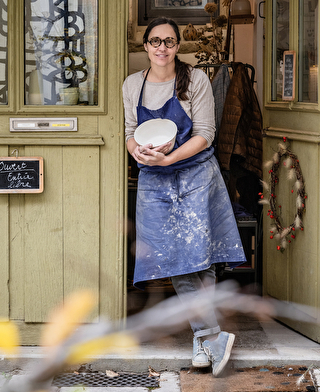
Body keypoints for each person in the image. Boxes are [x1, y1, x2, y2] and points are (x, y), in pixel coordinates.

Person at [122, 17, 246, 377]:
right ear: (146, 46)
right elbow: (130, 132)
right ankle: (210, 336)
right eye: (156, 41)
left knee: (198, 258)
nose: (163, 47)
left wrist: (170, 157)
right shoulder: (133, 84)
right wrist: (138, 153)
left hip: (194, 176)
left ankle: (203, 339)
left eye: (170, 41)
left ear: (178, 46)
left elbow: (206, 133)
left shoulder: (196, 80)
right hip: (154, 182)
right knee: (171, 258)